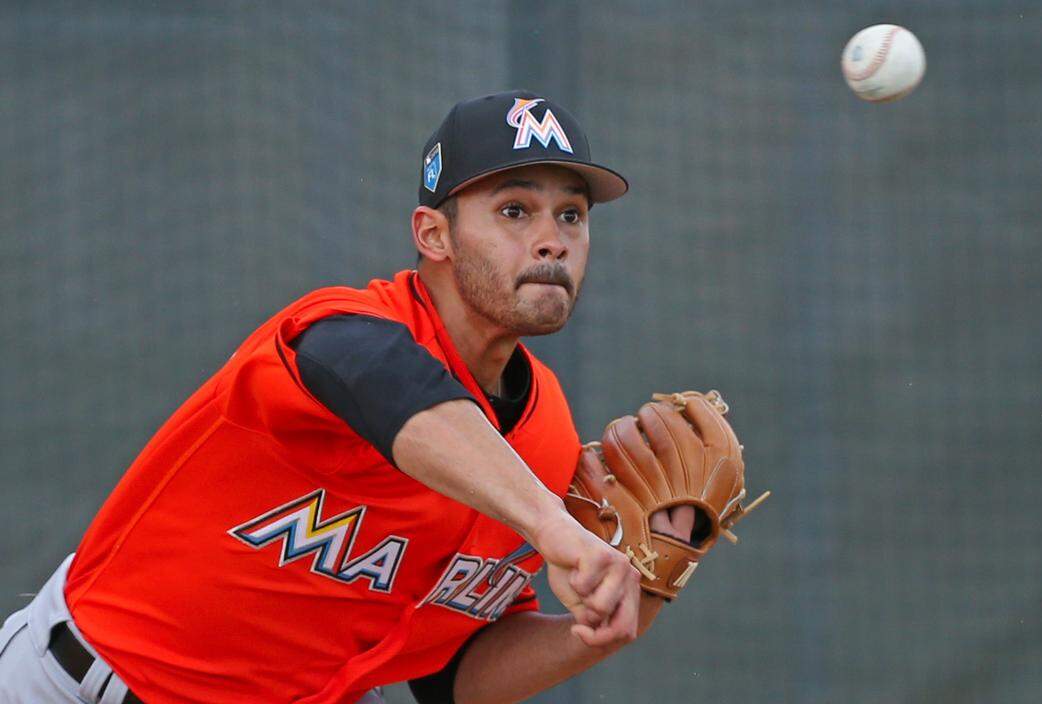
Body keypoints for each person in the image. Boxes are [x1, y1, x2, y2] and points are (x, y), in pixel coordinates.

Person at [0, 91, 694, 704]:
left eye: (572, 216)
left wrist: (622, 610)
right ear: (434, 235)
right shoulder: (341, 331)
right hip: (79, 683)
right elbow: (387, 384)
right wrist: (554, 527)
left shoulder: (543, 439)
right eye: (515, 210)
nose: (552, 241)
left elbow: (452, 676)